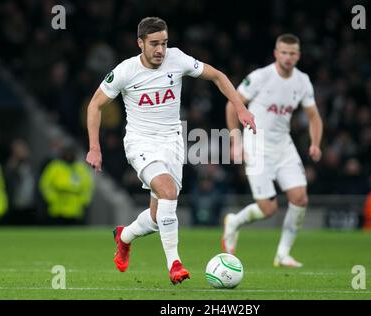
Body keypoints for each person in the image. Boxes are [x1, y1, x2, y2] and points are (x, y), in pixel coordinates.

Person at [85, 17, 256, 284]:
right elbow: (95, 105)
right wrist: (95, 148)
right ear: (140, 43)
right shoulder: (125, 71)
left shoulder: (177, 59)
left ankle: (124, 236)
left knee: (157, 216)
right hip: (140, 143)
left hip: (173, 143)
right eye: (154, 44)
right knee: (168, 191)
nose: (160, 50)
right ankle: (174, 264)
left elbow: (218, 76)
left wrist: (241, 108)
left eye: (164, 43)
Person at [223, 34, 323, 268]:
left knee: (300, 198)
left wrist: (315, 142)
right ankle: (234, 221)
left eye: (293, 53)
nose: (288, 57)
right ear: (276, 53)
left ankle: (282, 254)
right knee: (269, 208)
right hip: (256, 145)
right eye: (284, 53)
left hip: (284, 146)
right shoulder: (260, 77)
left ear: (298, 56)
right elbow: (232, 105)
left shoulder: (302, 81)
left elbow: (313, 116)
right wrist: (236, 141)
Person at [39, 143, 94, 224]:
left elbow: (88, 187)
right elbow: (45, 185)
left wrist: (83, 201)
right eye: (67, 153)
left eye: (71, 153)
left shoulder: (81, 169)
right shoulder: (55, 167)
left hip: (75, 209)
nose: (69, 155)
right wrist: (52, 199)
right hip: (57, 209)